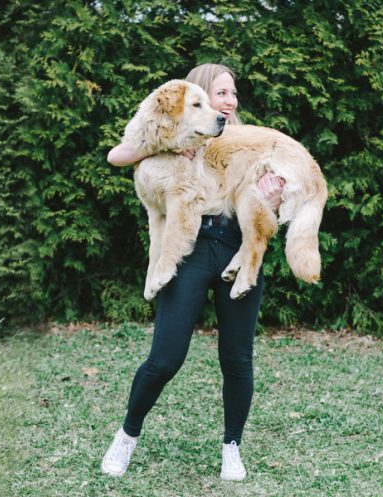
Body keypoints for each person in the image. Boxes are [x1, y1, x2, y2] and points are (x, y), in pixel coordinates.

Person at [101, 63, 284, 481]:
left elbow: (268, 212)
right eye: (221, 93)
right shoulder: (182, 135)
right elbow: (118, 154)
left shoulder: (248, 142)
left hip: (236, 249)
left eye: (233, 93)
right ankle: (127, 435)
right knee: (165, 358)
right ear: (197, 96)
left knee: (237, 358)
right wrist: (165, 147)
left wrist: (272, 199)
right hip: (191, 249)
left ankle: (232, 447)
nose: (230, 101)